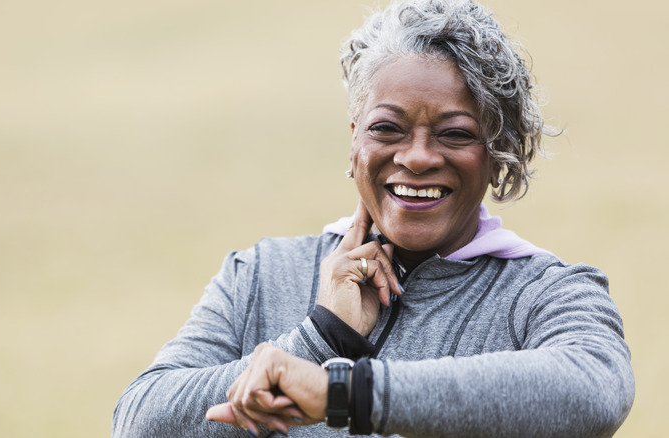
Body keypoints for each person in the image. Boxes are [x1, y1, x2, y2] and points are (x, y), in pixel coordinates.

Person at [111, 0, 635, 436]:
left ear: (498, 154)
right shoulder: (261, 274)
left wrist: (346, 392)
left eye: (455, 133)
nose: (418, 157)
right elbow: (138, 420)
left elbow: (595, 386)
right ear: (355, 138)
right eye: (388, 129)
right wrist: (321, 338)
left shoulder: (542, 292)